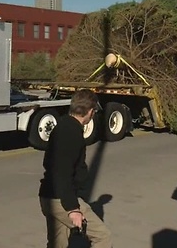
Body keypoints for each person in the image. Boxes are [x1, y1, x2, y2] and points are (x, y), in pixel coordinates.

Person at [38, 89, 112, 248]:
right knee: (102, 236)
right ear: (90, 112)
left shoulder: (63, 126)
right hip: (61, 199)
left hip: (48, 195)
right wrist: (73, 208)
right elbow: (61, 171)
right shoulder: (71, 133)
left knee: (57, 244)